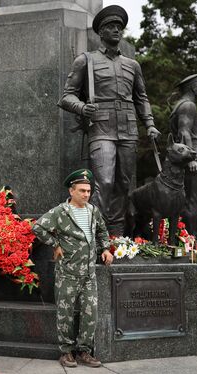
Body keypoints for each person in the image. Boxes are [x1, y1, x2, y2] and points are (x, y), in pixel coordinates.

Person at [58, 5, 160, 236]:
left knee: (123, 183)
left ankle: (116, 232)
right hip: (101, 126)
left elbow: (141, 97)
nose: (116, 30)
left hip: (128, 126)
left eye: (119, 27)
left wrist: (150, 124)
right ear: (101, 32)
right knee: (103, 180)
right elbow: (66, 97)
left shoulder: (132, 65)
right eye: (111, 27)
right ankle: (99, 232)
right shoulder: (86, 60)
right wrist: (83, 107)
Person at [32, 169, 114, 368]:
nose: (86, 194)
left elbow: (102, 230)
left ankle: (85, 351)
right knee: (65, 313)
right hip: (68, 272)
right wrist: (55, 243)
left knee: (90, 312)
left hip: (89, 273)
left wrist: (105, 249)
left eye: (88, 191)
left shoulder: (93, 210)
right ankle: (66, 352)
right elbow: (38, 227)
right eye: (82, 190)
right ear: (71, 191)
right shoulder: (60, 212)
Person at [169, 73, 197, 244]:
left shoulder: (182, 105)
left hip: (195, 151)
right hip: (192, 152)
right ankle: (192, 243)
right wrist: (192, 159)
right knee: (193, 201)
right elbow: (184, 132)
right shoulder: (188, 106)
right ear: (192, 87)